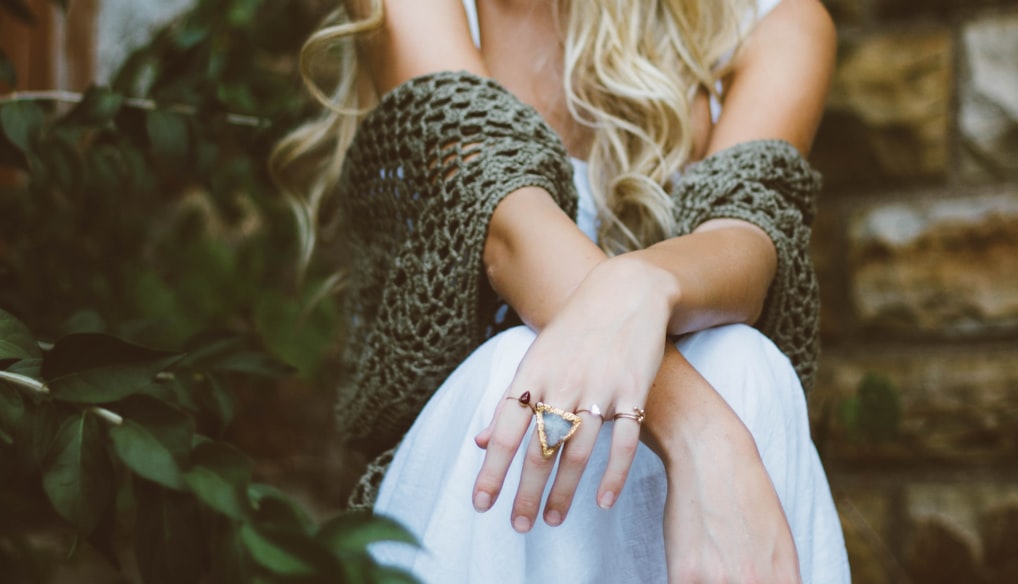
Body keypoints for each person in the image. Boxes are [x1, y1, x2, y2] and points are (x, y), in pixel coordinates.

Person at [273, 0, 851, 582]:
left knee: (742, 359)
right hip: (476, 474)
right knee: (520, 365)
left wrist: (641, 284)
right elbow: (506, 231)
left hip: (646, 478)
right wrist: (704, 433)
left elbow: (747, 245)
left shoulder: (772, 21)